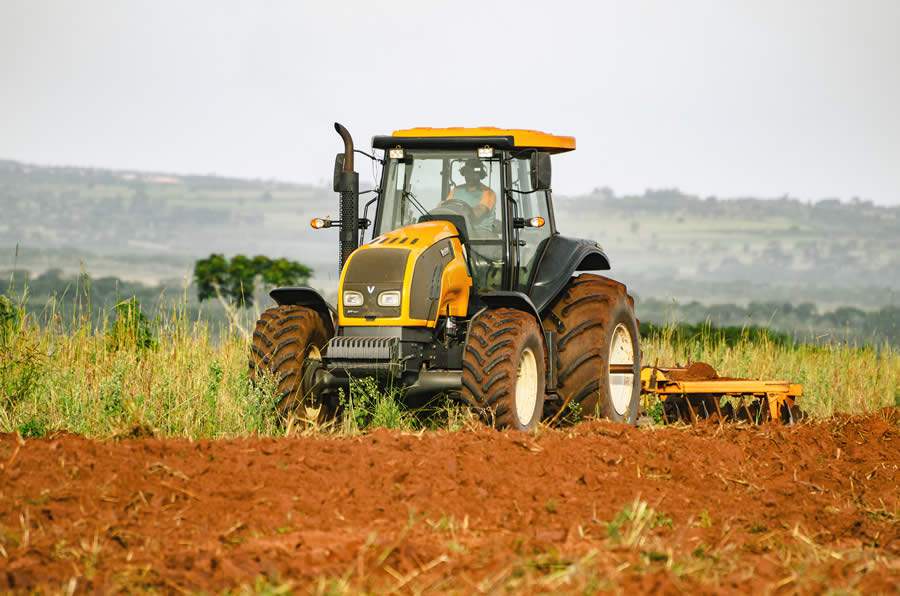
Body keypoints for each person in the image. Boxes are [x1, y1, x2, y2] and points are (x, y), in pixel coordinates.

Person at [443, 158, 496, 224]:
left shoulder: (488, 193)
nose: (470, 176)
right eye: (468, 172)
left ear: (480, 174)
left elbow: (478, 213)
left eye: (474, 173)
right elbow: (445, 207)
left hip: (481, 231)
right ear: (464, 173)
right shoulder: (456, 190)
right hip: (459, 227)